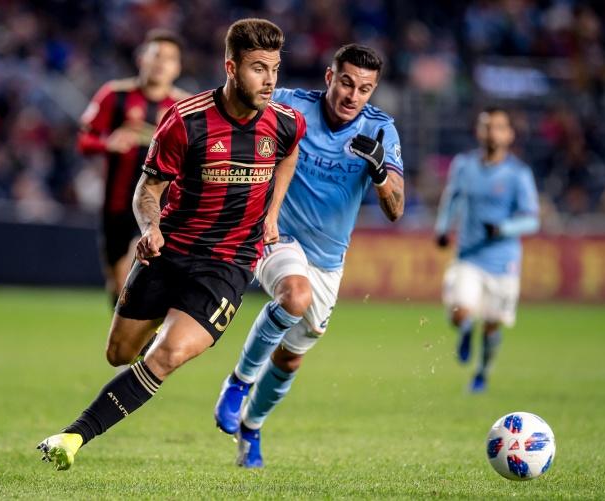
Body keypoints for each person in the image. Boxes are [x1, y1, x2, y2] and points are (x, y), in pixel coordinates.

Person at [37, 18, 306, 471]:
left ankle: (72, 437)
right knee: (119, 354)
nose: (270, 80)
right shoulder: (186, 120)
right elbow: (148, 188)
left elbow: (290, 153)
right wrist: (149, 228)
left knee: (168, 354)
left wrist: (273, 212)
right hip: (169, 252)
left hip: (228, 264)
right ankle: (137, 369)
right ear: (231, 66)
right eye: (259, 68)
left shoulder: (284, 122)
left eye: (275, 69)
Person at [213, 44, 405, 468]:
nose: (353, 96)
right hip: (275, 234)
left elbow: (396, 210)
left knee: (291, 356)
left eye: (365, 89)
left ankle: (252, 426)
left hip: (328, 260)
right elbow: (235, 110)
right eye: (347, 82)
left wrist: (377, 173)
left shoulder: (380, 131)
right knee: (293, 296)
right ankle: (238, 382)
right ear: (329, 78)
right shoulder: (289, 105)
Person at [77, 29, 189, 309]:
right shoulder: (114, 95)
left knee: (138, 273)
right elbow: (84, 139)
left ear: (178, 67)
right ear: (141, 59)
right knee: (118, 284)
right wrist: (108, 143)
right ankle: (128, 343)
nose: (162, 63)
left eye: (169, 58)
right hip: (116, 206)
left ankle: (146, 342)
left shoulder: (184, 107)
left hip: (160, 208)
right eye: (156, 56)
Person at [433, 107, 540, 393]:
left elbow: (531, 219)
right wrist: (443, 228)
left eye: (498, 127)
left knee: (493, 326)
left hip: (503, 262)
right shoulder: (464, 165)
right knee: (459, 311)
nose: (492, 132)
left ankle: (482, 373)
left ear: (509, 134)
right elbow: (452, 198)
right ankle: (466, 329)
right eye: (486, 126)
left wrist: (504, 228)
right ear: (478, 131)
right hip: (468, 256)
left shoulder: (518, 174)